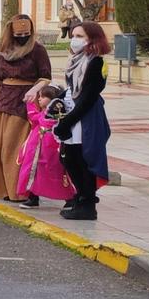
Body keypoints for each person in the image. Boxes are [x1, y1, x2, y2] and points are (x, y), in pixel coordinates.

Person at [0, 14, 51, 202]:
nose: (23, 36)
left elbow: (45, 76)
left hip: (25, 104)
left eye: (27, 33)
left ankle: (19, 191)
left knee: (14, 148)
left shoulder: (38, 50)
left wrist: (35, 90)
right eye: (19, 33)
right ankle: (4, 190)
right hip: (2, 100)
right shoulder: (3, 49)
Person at [52, 20, 111, 222]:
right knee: (68, 157)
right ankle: (81, 196)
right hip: (73, 113)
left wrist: (68, 121)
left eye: (80, 36)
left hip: (86, 116)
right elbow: (72, 90)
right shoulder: (76, 59)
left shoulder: (96, 62)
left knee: (82, 158)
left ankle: (87, 202)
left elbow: (88, 96)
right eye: (73, 36)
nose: (74, 40)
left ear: (91, 39)